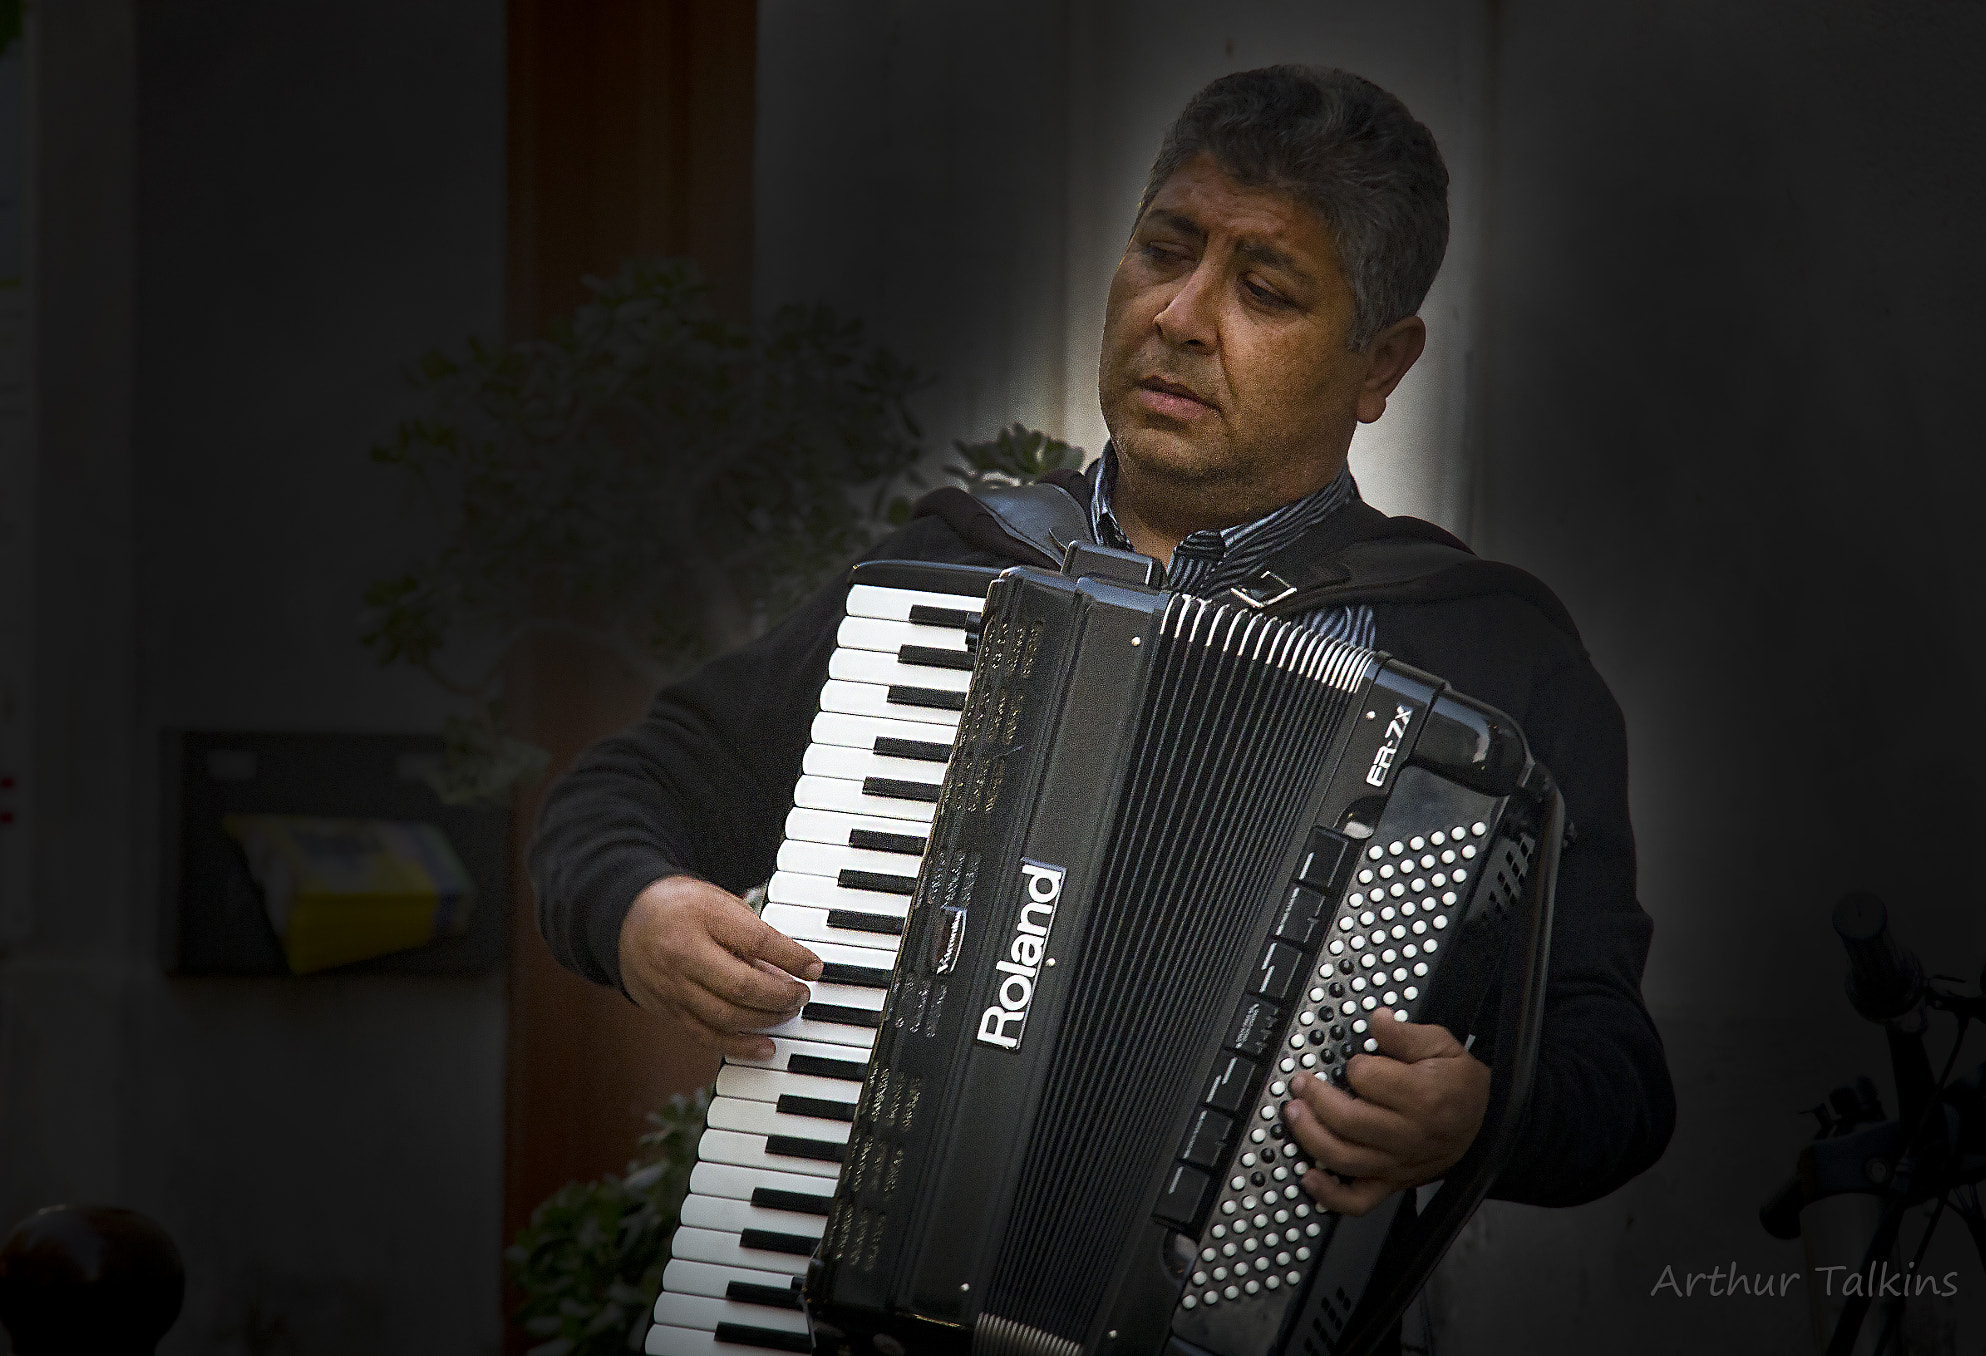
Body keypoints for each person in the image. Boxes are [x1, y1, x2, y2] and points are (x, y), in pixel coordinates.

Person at [530, 65, 1675, 1224]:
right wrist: (638, 910)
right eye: (1162, 250)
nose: (1177, 316)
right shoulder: (953, 572)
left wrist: (1484, 1115)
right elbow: (629, 790)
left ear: (1378, 365)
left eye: (1264, 288)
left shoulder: (1492, 658)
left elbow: (1614, 1073)